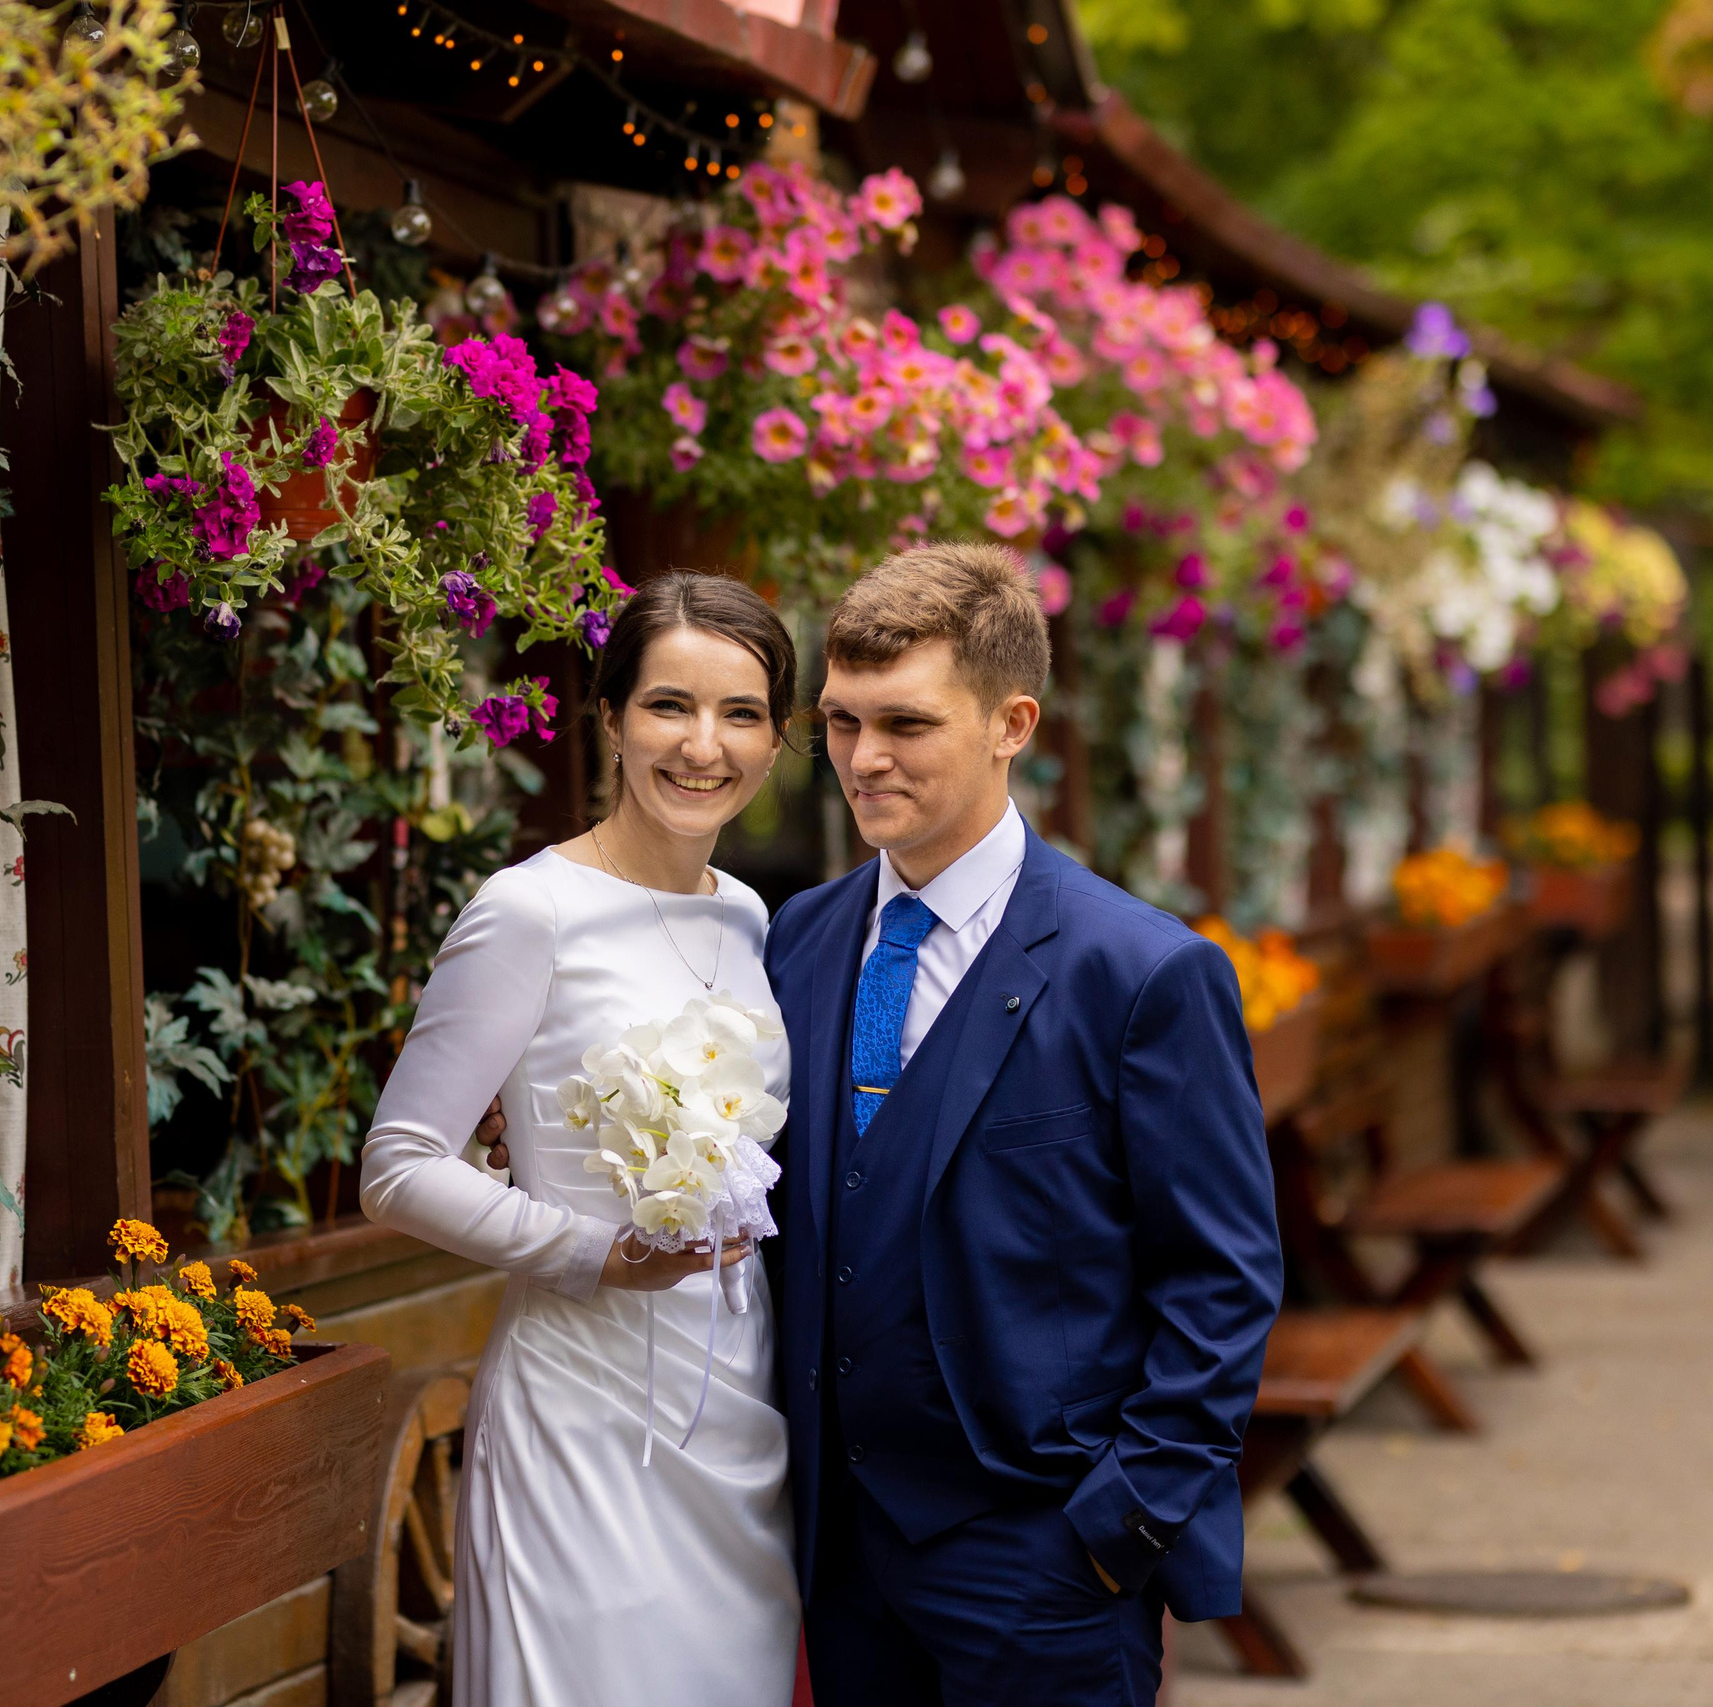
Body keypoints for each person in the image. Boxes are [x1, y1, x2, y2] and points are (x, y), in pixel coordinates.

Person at [764, 543, 1282, 1704]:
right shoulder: (797, 937)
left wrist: (1118, 1525)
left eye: (905, 723)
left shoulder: (1140, 972)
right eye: (841, 723)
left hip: (1046, 1562)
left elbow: (1222, 1279)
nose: (863, 758)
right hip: (839, 1554)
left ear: (1012, 723)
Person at [359, 572, 804, 1707]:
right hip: (584, 1408)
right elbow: (398, 1166)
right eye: (668, 706)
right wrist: (596, 1251)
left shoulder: (749, 916)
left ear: (774, 742)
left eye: (740, 714)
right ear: (609, 719)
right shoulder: (530, 910)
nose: (702, 746)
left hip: (739, 1398)